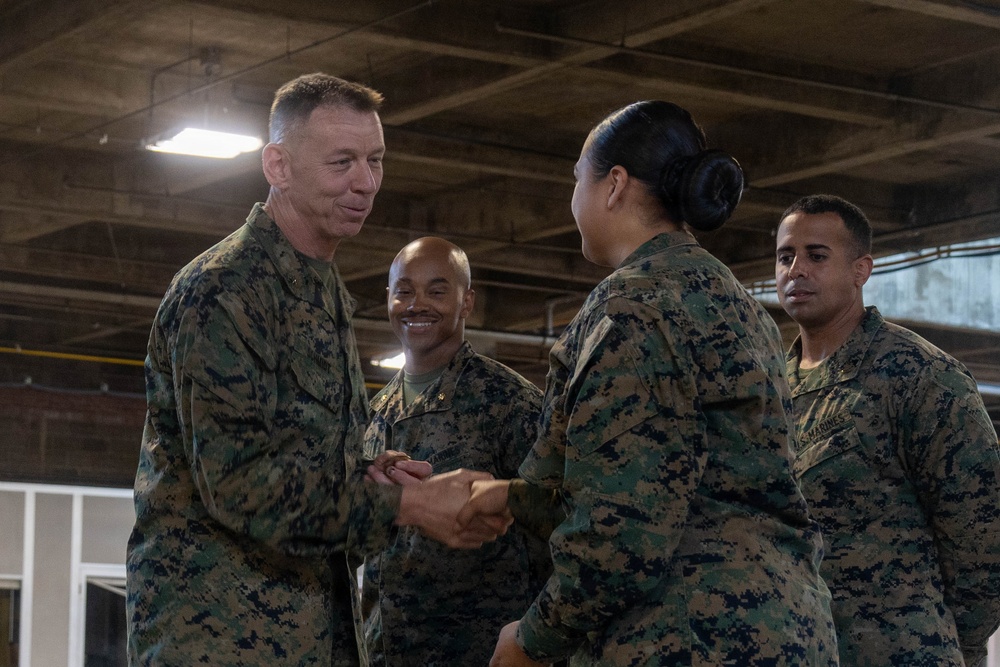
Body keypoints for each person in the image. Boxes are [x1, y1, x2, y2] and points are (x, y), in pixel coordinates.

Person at [126, 73, 496, 667]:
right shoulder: (225, 291)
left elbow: (296, 460)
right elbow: (239, 486)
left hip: (311, 633)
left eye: (375, 160)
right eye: (342, 161)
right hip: (221, 640)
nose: (365, 182)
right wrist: (407, 508)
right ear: (278, 165)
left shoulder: (319, 290)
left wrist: (370, 475)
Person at [461, 100, 839, 666]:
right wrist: (512, 496)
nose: (572, 201)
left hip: (682, 638)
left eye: (575, 182)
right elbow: (695, 477)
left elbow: (622, 534)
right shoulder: (741, 306)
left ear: (613, 185)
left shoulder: (630, 310)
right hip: (786, 631)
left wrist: (531, 640)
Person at [774, 193, 1000, 667]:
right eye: (785, 256)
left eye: (817, 256)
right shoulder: (769, 387)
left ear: (861, 270)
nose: (797, 270)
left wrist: (950, 643)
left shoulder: (918, 375)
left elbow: (983, 536)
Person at [360, 236, 551, 666]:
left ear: (467, 302)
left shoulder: (510, 403)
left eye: (437, 290)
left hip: (477, 653)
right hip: (383, 651)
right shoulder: (371, 414)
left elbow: (556, 526)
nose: (417, 304)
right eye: (404, 290)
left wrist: (538, 643)